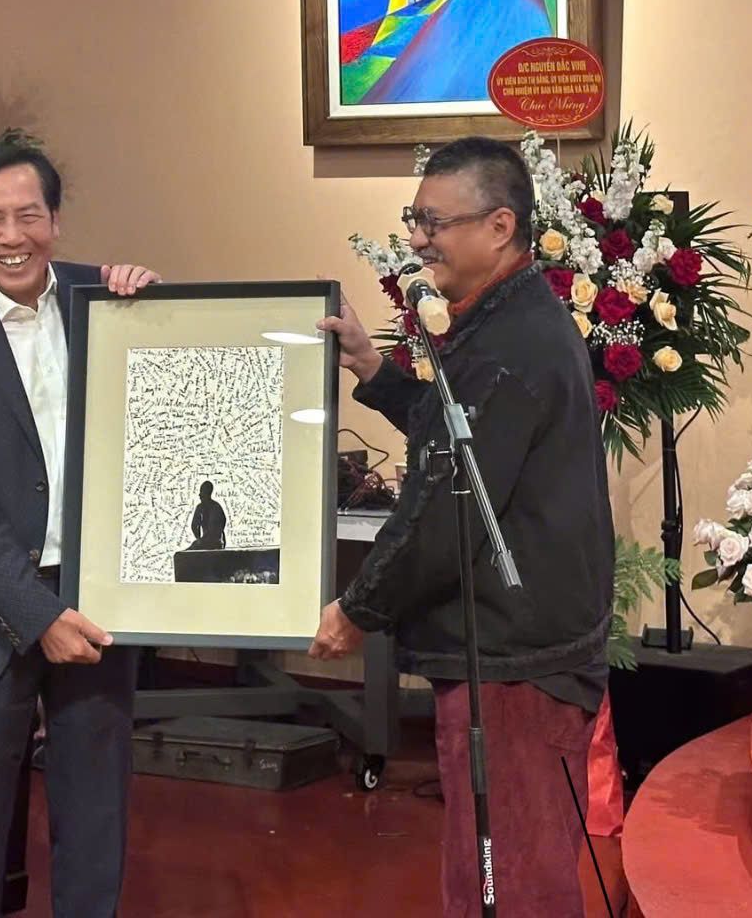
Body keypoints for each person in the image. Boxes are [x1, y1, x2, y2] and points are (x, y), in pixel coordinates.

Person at [312, 136, 614, 918]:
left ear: (500, 226)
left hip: (515, 659)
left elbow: (450, 507)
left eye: (434, 222)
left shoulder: (511, 343)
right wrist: (375, 375)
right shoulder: (506, 324)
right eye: (414, 219)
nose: (416, 238)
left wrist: (358, 608)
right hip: (520, 649)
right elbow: (459, 435)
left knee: (509, 878)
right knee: (502, 863)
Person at [0, 144, 161, 917]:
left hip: (99, 599)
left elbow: (172, 402)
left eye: (28, 216)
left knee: (96, 816)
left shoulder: (105, 300)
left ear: (55, 220)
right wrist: (36, 614)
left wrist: (158, 301)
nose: (11, 236)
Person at [188, 480, 227, 550]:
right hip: (213, 542)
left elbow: (219, 526)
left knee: (185, 555)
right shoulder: (201, 507)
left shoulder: (215, 507)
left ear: (207, 493)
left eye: (201, 491)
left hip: (215, 542)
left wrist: (200, 539)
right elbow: (194, 526)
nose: (199, 495)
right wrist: (199, 539)